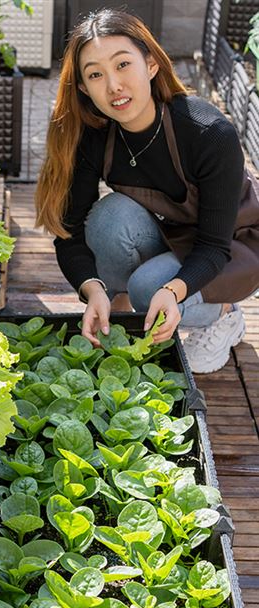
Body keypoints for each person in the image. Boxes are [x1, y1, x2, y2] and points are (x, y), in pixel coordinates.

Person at [35, 7, 259, 373]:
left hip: (235, 245)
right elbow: (69, 232)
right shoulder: (94, 136)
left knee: (149, 288)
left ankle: (223, 313)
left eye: (123, 65)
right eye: (96, 74)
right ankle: (117, 310)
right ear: (83, 88)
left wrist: (171, 291)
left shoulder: (208, 132)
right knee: (109, 218)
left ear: (151, 64)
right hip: (173, 233)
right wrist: (93, 291)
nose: (113, 86)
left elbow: (214, 245)